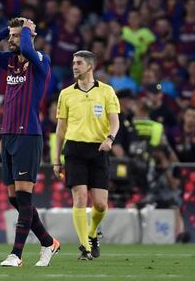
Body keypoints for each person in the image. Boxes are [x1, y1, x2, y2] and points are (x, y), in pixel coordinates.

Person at [0, 17, 60, 267]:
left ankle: (17, 254)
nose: (12, 40)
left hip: (28, 135)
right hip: (8, 134)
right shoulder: (10, 62)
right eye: (10, 36)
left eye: (16, 36)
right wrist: (4, 31)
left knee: (23, 197)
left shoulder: (41, 61)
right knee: (14, 199)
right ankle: (48, 242)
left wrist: (26, 32)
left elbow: (26, 48)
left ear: (30, 37)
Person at [54, 50, 120, 260]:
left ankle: (92, 234)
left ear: (90, 66)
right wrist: (56, 160)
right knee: (80, 197)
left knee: (100, 204)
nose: (74, 66)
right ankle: (85, 248)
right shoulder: (66, 94)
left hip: (99, 150)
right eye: (73, 63)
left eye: (79, 63)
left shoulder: (107, 91)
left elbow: (115, 121)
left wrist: (109, 139)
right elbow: (60, 129)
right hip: (74, 149)